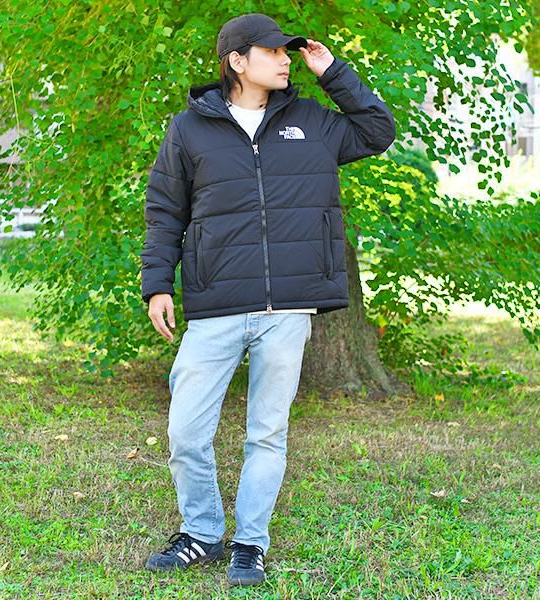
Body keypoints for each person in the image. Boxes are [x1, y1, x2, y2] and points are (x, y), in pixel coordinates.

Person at [141, 13, 396, 587]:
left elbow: (379, 130)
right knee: (186, 432)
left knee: (267, 433)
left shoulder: (313, 122)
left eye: (288, 52)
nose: (286, 60)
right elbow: (165, 211)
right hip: (217, 303)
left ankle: (250, 544)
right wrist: (157, 284)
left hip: (289, 309)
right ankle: (202, 532)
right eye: (273, 51)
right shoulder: (190, 129)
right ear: (237, 60)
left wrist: (332, 72)